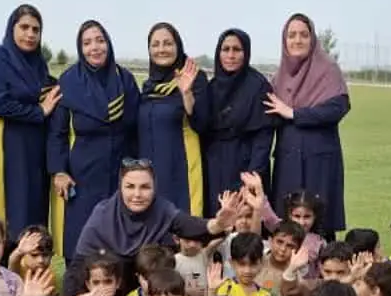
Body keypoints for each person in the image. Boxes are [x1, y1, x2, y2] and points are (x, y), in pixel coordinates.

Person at [64, 160, 240, 296]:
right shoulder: (102, 216)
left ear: (154, 187)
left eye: (145, 187)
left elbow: (189, 226)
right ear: (120, 188)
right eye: (130, 186)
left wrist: (219, 223)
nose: (137, 194)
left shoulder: (161, 210)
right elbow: (78, 267)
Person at [47, 20, 140, 260]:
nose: (94, 48)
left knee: (119, 243)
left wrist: (137, 172)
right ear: (80, 49)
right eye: (87, 43)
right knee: (81, 241)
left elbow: (135, 130)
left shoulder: (125, 79)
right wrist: (59, 171)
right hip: (83, 174)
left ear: (108, 43)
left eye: (100, 40)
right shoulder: (68, 82)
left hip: (120, 172)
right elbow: (57, 133)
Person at [0, 5, 59, 239]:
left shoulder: (38, 64)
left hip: (34, 150)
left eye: (36, 30)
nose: (30, 34)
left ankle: (29, 261)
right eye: (24, 27)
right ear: (11, 28)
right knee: (6, 214)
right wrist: (39, 112)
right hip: (6, 147)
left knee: (32, 213)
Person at [267, 13, 351, 237]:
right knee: (287, 226)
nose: (297, 40)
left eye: (304, 35)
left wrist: (294, 113)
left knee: (320, 224)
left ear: (312, 39)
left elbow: (338, 107)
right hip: (288, 160)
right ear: (284, 40)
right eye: (292, 35)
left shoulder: (328, 69)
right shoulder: (279, 77)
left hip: (319, 160)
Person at [137, 22, 210, 215]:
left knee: (181, 222)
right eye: (155, 44)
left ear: (178, 46)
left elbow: (202, 124)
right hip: (149, 169)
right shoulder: (148, 86)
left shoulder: (194, 79)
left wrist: (186, 93)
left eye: (168, 43)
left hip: (180, 169)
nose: (161, 49)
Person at [204, 28, 275, 202]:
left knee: (243, 214)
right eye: (225, 49)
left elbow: (263, 137)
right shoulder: (212, 87)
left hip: (244, 167)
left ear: (246, 53)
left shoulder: (258, 86)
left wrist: (252, 177)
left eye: (237, 49)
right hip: (214, 168)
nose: (231, 55)